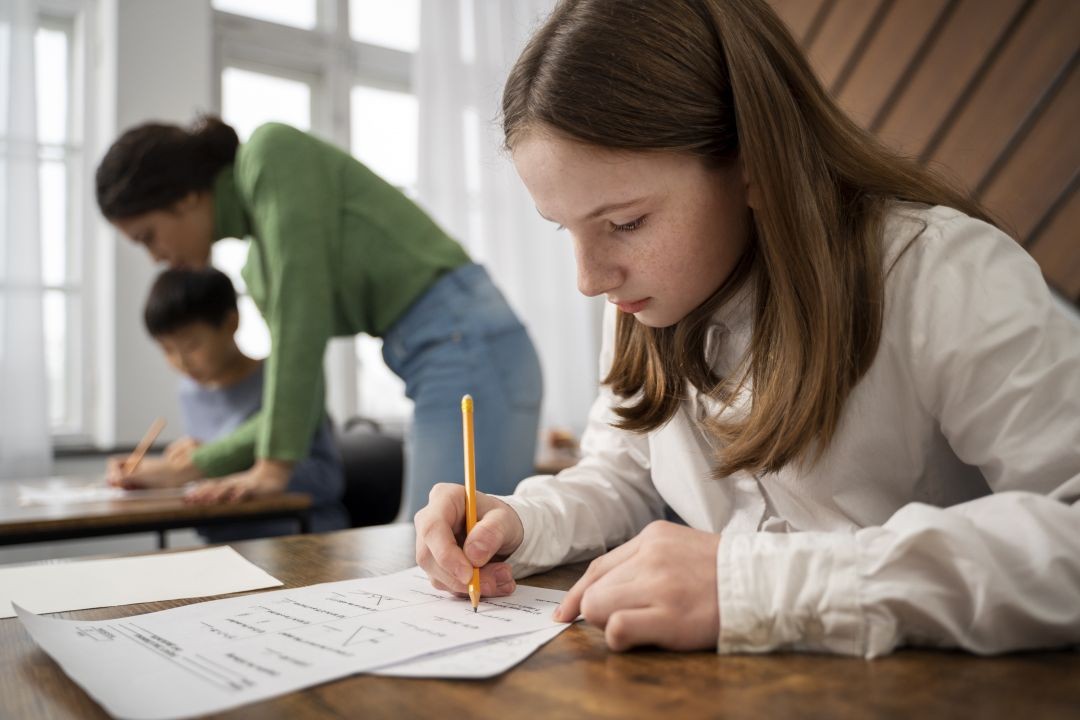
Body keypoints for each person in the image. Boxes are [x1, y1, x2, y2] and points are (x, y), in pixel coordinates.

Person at [414, 0, 1080, 658]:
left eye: (625, 223)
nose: (589, 280)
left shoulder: (942, 274)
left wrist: (750, 585)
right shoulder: (646, 302)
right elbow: (619, 475)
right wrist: (519, 523)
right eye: (568, 229)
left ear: (753, 162)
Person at [95, 118, 543, 518]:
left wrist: (272, 467)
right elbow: (299, 397)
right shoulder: (260, 266)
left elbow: (300, 321)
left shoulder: (271, 154)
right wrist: (195, 465)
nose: (156, 257)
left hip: (470, 343)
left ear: (185, 197)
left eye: (147, 237)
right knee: (436, 551)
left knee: (444, 547)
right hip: (444, 354)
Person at [107, 267, 349, 541]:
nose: (182, 362)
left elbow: (327, 480)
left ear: (231, 323)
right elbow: (204, 471)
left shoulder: (287, 383)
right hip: (223, 541)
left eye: (192, 346)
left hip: (297, 538)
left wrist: (212, 464)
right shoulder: (190, 392)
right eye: (167, 350)